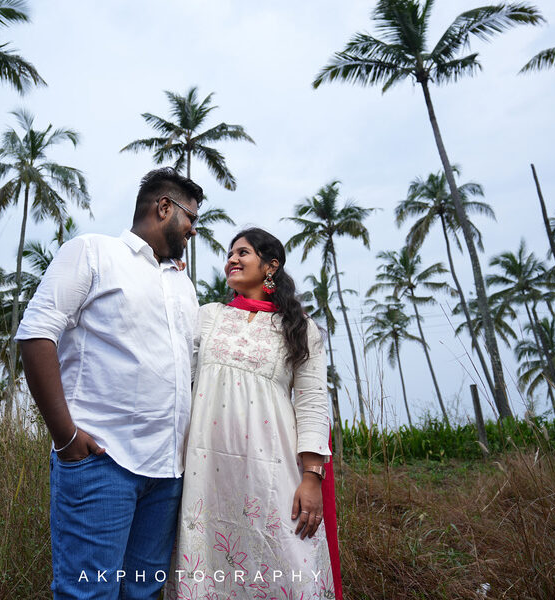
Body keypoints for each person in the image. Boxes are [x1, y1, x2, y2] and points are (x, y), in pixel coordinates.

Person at [17, 167, 203, 600]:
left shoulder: (183, 285)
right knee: (89, 593)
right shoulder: (93, 252)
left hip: (168, 473)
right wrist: (65, 438)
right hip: (103, 462)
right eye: (190, 219)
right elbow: (36, 334)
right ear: (163, 208)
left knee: (142, 595)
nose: (192, 231)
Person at [167, 227, 335, 599]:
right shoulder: (209, 317)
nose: (232, 259)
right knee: (208, 562)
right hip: (205, 469)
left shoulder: (299, 329)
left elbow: (312, 403)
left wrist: (311, 477)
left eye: (242, 252)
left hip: (271, 469)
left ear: (271, 265)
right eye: (229, 253)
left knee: (286, 559)